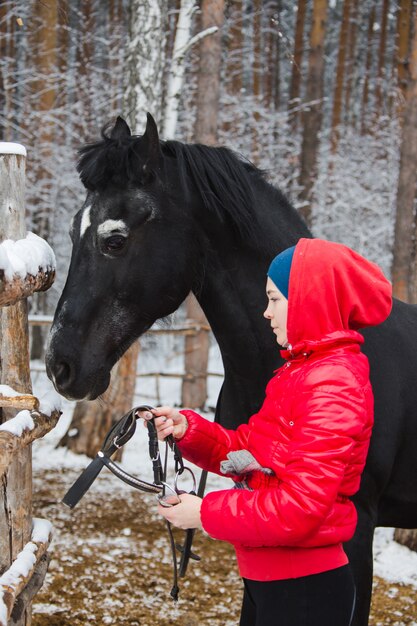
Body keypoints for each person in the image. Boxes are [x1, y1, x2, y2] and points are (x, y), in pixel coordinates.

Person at [141, 238, 392, 626]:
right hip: (275, 581)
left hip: (305, 589)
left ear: (310, 301)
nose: (266, 312)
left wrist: (205, 513)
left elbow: (301, 508)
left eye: (275, 299)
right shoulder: (301, 374)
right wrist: (188, 429)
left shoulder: (333, 385)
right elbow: (250, 449)